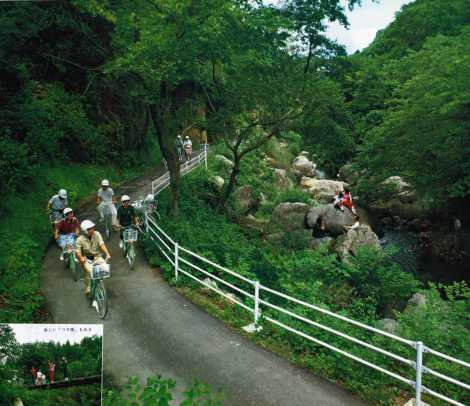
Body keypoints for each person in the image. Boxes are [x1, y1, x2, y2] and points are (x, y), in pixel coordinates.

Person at [76, 220, 112, 298]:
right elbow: (78, 251)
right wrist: (81, 258)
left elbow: (101, 244)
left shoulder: (97, 234)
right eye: (90, 228)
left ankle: (100, 284)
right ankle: (89, 288)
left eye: (92, 227)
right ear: (85, 230)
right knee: (90, 273)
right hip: (86, 259)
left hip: (97, 257)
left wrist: (107, 253)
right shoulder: (79, 239)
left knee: (105, 268)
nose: (92, 229)